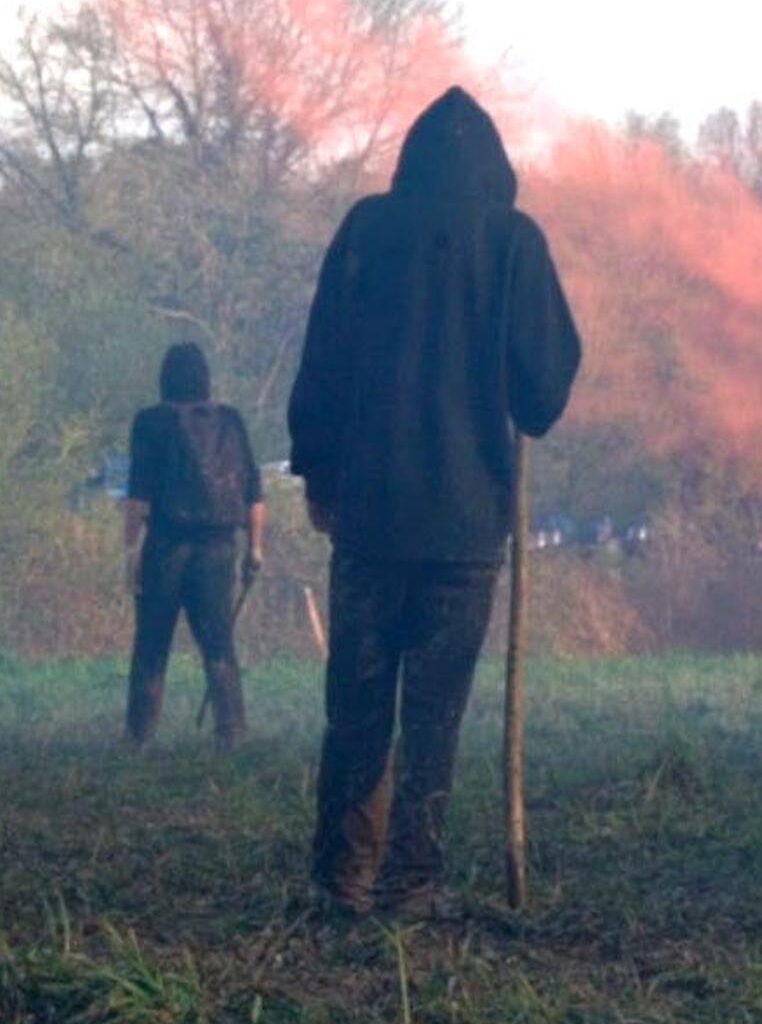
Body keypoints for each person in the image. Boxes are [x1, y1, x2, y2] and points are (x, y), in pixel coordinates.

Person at [288, 86, 581, 919]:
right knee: (434, 713)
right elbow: (544, 392)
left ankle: (340, 876)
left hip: (369, 514)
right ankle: (411, 883)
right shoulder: (514, 242)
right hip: (464, 526)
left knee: (355, 701)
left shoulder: (364, 232)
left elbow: (324, 362)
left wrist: (317, 472)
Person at [123, 342, 264, 751]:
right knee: (218, 644)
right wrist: (255, 549)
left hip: (165, 548)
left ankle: (138, 736)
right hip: (219, 549)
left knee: (151, 643)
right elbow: (255, 491)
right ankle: (232, 733)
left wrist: (130, 556)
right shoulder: (231, 422)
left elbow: (137, 498)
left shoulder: (151, 422)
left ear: (165, 378)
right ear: (205, 379)